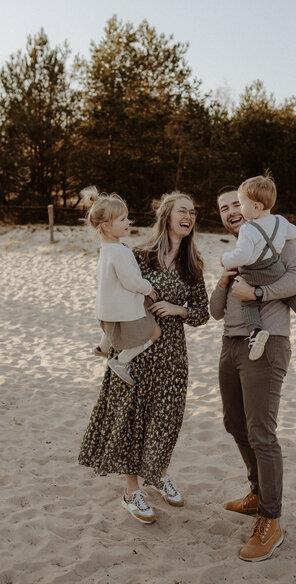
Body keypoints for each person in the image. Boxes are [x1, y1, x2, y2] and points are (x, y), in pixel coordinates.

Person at [79, 191, 209, 524]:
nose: (189, 216)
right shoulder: (138, 255)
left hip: (172, 355)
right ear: (167, 215)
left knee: (165, 420)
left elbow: (201, 313)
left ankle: (159, 475)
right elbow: (113, 294)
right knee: (131, 419)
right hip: (137, 350)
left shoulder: (192, 264)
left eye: (193, 212)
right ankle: (131, 491)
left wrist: (178, 309)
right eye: (183, 210)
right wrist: (107, 340)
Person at [210, 186, 296, 562]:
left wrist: (257, 292)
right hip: (231, 344)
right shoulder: (238, 252)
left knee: (262, 434)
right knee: (234, 423)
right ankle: (257, 493)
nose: (231, 211)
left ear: (253, 205)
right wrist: (224, 280)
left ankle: (271, 518)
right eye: (223, 208)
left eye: (235, 204)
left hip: (267, 344)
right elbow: (217, 311)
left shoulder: (276, 238)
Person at [221, 173, 296, 360]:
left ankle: (255, 331)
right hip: (275, 270)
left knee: (249, 303)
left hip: (255, 274)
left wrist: (226, 259)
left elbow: (243, 255)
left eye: (241, 204)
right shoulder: (280, 221)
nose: (240, 209)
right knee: (291, 295)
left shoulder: (248, 229)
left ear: (256, 206)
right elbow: (295, 232)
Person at [83, 186, 161, 385]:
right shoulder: (118, 251)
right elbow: (131, 281)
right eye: (123, 219)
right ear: (106, 226)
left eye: (127, 217)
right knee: (155, 332)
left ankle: (102, 347)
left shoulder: (106, 249)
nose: (128, 222)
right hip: (122, 311)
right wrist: (148, 288)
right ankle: (121, 361)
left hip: (106, 309)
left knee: (111, 324)